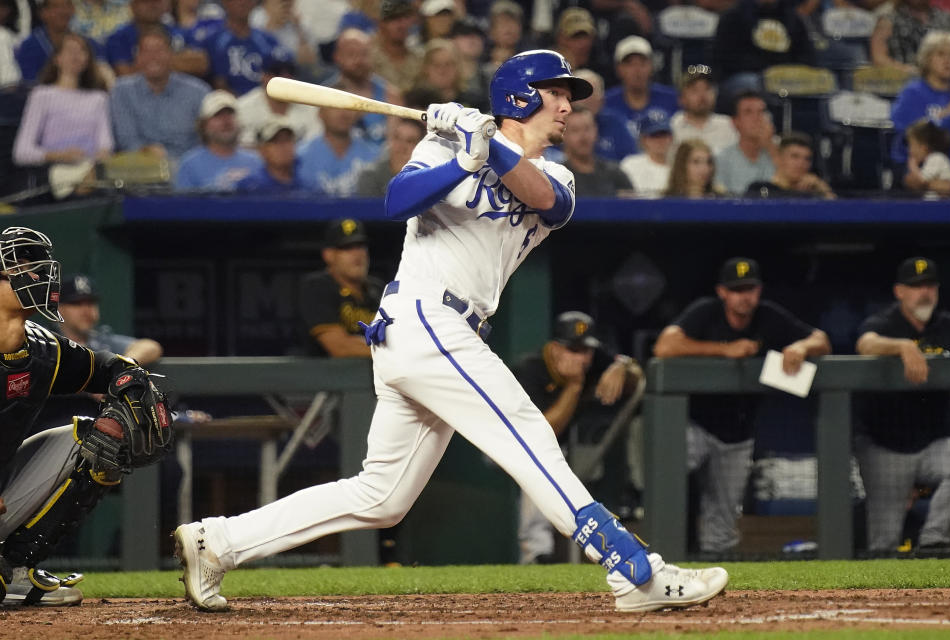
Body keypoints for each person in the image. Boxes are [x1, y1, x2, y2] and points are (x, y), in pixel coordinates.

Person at [174, 49, 729, 614]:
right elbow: (397, 202)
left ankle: (217, 542)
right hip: (421, 320)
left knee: (381, 496)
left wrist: (485, 145)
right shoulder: (442, 143)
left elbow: (543, 199)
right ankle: (632, 570)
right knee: (527, 430)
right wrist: (464, 156)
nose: (567, 105)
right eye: (557, 92)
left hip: (443, 331)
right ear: (522, 96)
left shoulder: (558, 175)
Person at [0, 226, 171, 606]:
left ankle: (11, 567)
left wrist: (130, 378)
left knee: (98, 439)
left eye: (38, 264)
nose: (39, 274)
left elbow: (108, 367)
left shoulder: (44, 350)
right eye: (22, 267)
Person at [652, 257, 831, 553]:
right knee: (667, 481)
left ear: (759, 291)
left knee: (722, 521)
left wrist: (800, 346)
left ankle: (716, 576)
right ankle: (662, 553)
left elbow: (821, 340)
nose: (744, 296)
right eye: (737, 290)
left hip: (738, 435)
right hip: (694, 425)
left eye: (750, 289)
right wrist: (723, 350)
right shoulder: (706, 312)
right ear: (723, 292)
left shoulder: (768, 316)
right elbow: (665, 346)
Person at [513, 311, 643, 564]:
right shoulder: (529, 370)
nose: (582, 358)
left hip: (560, 447)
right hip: (510, 444)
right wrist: (574, 386)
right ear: (555, 348)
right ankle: (536, 555)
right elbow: (542, 432)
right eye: (574, 350)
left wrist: (622, 366)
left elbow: (636, 373)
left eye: (586, 350)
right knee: (539, 463)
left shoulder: (594, 360)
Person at [854, 257, 950, 552]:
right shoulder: (886, 322)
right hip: (885, 446)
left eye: (929, 286)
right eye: (915, 287)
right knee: (884, 542)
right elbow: (865, 344)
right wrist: (903, 346)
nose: (924, 293)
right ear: (900, 291)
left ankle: (933, 541)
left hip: (931, 444)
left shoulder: (948, 325)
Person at [110, 27, 211, 162]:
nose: (153, 57)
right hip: (139, 168)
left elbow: (207, 140)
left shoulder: (199, 91)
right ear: (137, 57)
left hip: (188, 168)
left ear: (171, 54)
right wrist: (149, 154)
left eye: (159, 51)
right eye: (146, 52)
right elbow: (127, 140)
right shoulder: (122, 91)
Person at [13, 33, 113, 168]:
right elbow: (22, 151)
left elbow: (105, 145)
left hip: (90, 170)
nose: (76, 56)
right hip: (52, 170)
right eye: (70, 51)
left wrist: (96, 161)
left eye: (81, 51)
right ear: (57, 58)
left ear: (88, 59)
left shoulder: (98, 98)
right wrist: (59, 155)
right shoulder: (41, 95)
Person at [298, 218, 384, 358]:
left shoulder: (379, 289)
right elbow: (340, 347)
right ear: (328, 255)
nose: (357, 254)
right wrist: (393, 353)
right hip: (326, 377)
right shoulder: (318, 287)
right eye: (347, 247)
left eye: (360, 246)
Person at [712, 0, 814, 109]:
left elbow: (807, 56)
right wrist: (766, 71)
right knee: (754, 83)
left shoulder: (793, 19)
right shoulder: (733, 17)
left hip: (785, 77)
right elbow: (725, 58)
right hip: (743, 76)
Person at [890, 30, 950, 173]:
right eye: (940, 54)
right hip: (920, 166)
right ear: (927, 59)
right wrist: (944, 116)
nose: (948, 61)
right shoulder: (913, 93)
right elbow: (906, 135)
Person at [57, 273, 163, 366]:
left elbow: (151, 347)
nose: (86, 310)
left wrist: (121, 366)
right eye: (76, 304)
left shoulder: (102, 343)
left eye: (91, 303)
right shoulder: (47, 342)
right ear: (59, 308)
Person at [195, 0, 287, 96]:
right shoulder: (211, 41)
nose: (242, 2)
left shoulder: (267, 40)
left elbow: (285, 72)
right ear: (225, 2)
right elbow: (217, 83)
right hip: (226, 105)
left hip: (262, 103)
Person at [175, 89, 262, 190]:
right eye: (218, 115)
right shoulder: (189, 165)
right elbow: (184, 204)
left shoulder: (257, 162)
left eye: (230, 114)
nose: (226, 121)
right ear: (203, 125)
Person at [326, 27, 400, 145]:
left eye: (364, 54)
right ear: (337, 57)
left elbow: (394, 145)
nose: (359, 60)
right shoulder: (324, 96)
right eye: (351, 54)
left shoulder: (391, 97)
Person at [104, 0, 208, 78]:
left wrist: (152, 64)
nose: (153, 5)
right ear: (133, 5)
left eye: (157, 1)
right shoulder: (119, 37)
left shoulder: (178, 32)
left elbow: (200, 64)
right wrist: (178, 60)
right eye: (146, 1)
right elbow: (126, 75)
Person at [237, 54, 321, 148]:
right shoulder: (243, 107)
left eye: (290, 73)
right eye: (277, 73)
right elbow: (241, 146)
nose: (285, 79)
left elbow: (315, 144)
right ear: (263, 76)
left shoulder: (310, 107)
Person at [296, 102, 380, 196]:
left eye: (348, 108)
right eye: (335, 107)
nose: (343, 114)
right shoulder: (299, 156)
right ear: (320, 113)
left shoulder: (374, 156)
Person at [605, 36, 679, 143]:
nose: (637, 70)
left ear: (652, 66)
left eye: (642, 63)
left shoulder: (672, 99)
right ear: (618, 69)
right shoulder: (607, 103)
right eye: (629, 64)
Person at [562, 105, 634, 196]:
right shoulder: (559, 176)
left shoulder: (615, 173)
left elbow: (632, 206)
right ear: (563, 135)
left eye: (587, 129)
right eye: (575, 130)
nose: (583, 137)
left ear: (596, 131)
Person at [714, 90, 777, 195]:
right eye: (748, 112)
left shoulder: (779, 152)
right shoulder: (721, 160)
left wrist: (770, 146)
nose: (757, 118)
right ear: (735, 122)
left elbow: (789, 188)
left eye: (761, 112)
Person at [871, 0, 950, 73]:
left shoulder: (946, 18)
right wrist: (908, 71)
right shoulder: (888, 20)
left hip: (943, 78)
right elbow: (879, 58)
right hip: (901, 80)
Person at [670, 66, 738, 158]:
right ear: (681, 99)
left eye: (707, 88)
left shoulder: (729, 126)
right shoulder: (672, 128)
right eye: (694, 90)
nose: (702, 95)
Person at [744, 132, 836, 198]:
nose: (801, 163)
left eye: (807, 159)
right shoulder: (759, 190)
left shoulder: (814, 193)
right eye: (794, 156)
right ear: (779, 158)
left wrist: (822, 188)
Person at [572, 68, 636, 162]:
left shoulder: (616, 123)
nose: (588, 99)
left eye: (593, 93)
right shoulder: (558, 125)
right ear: (570, 98)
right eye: (583, 93)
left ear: (601, 99)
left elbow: (632, 160)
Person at [354, 117, 426, 197]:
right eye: (397, 138)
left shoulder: (427, 179)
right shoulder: (370, 177)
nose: (401, 147)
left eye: (410, 141)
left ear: (422, 147)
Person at [236, 118, 308, 192]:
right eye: (277, 141)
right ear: (262, 150)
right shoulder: (249, 188)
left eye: (288, 140)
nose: (284, 147)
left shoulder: (306, 185)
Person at [371, 0, 423, 94]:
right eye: (394, 18)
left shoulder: (420, 58)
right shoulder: (369, 59)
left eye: (405, 18)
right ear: (381, 24)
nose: (401, 25)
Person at [619, 114, 673, 197]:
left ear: (671, 138)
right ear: (643, 139)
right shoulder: (630, 165)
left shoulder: (680, 166)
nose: (660, 141)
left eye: (664, 135)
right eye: (654, 136)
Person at [903, 119, 950, 196]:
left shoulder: (936, 158)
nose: (909, 151)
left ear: (923, 147)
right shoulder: (926, 162)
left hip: (945, 205)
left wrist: (913, 167)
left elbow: (922, 181)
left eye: (911, 145)